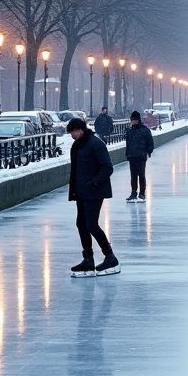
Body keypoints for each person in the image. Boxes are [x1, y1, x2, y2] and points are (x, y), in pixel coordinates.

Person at [66, 117, 120, 277]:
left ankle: (110, 256)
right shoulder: (77, 145)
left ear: (80, 130)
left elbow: (107, 167)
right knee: (81, 224)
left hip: (94, 192)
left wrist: (93, 183)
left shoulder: (96, 144)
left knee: (91, 224)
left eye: (72, 132)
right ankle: (88, 259)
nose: (71, 135)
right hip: (81, 192)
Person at [124, 111, 155, 202]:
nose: (132, 122)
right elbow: (128, 144)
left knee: (141, 175)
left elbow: (150, 143)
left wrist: (148, 152)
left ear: (137, 120)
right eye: (131, 120)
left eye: (133, 120)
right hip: (132, 156)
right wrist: (128, 154)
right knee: (133, 175)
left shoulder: (145, 130)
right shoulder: (130, 131)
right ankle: (133, 192)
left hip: (141, 156)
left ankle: (142, 193)